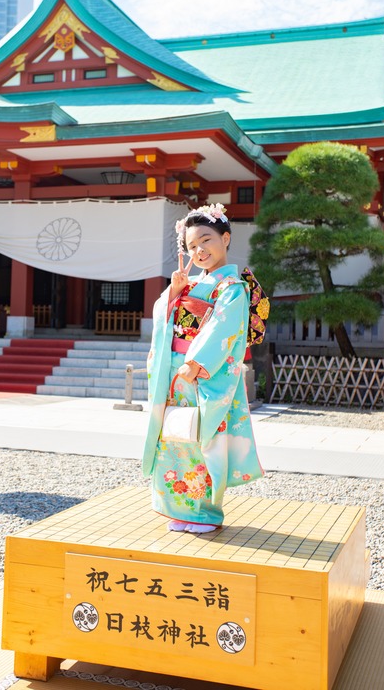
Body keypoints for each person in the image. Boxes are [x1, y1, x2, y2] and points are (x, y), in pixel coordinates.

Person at [141, 202, 265, 534]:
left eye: (206, 240)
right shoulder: (191, 284)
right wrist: (175, 293)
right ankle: (177, 509)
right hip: (177, 376)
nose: (200, 250)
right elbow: (163, 316)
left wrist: (196, 364)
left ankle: (206, 513)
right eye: (192, 245)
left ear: (225, 239)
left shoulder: (232, 287)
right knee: (175, 438)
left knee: (204, 440)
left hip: (204, 377)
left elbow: (224, 330)